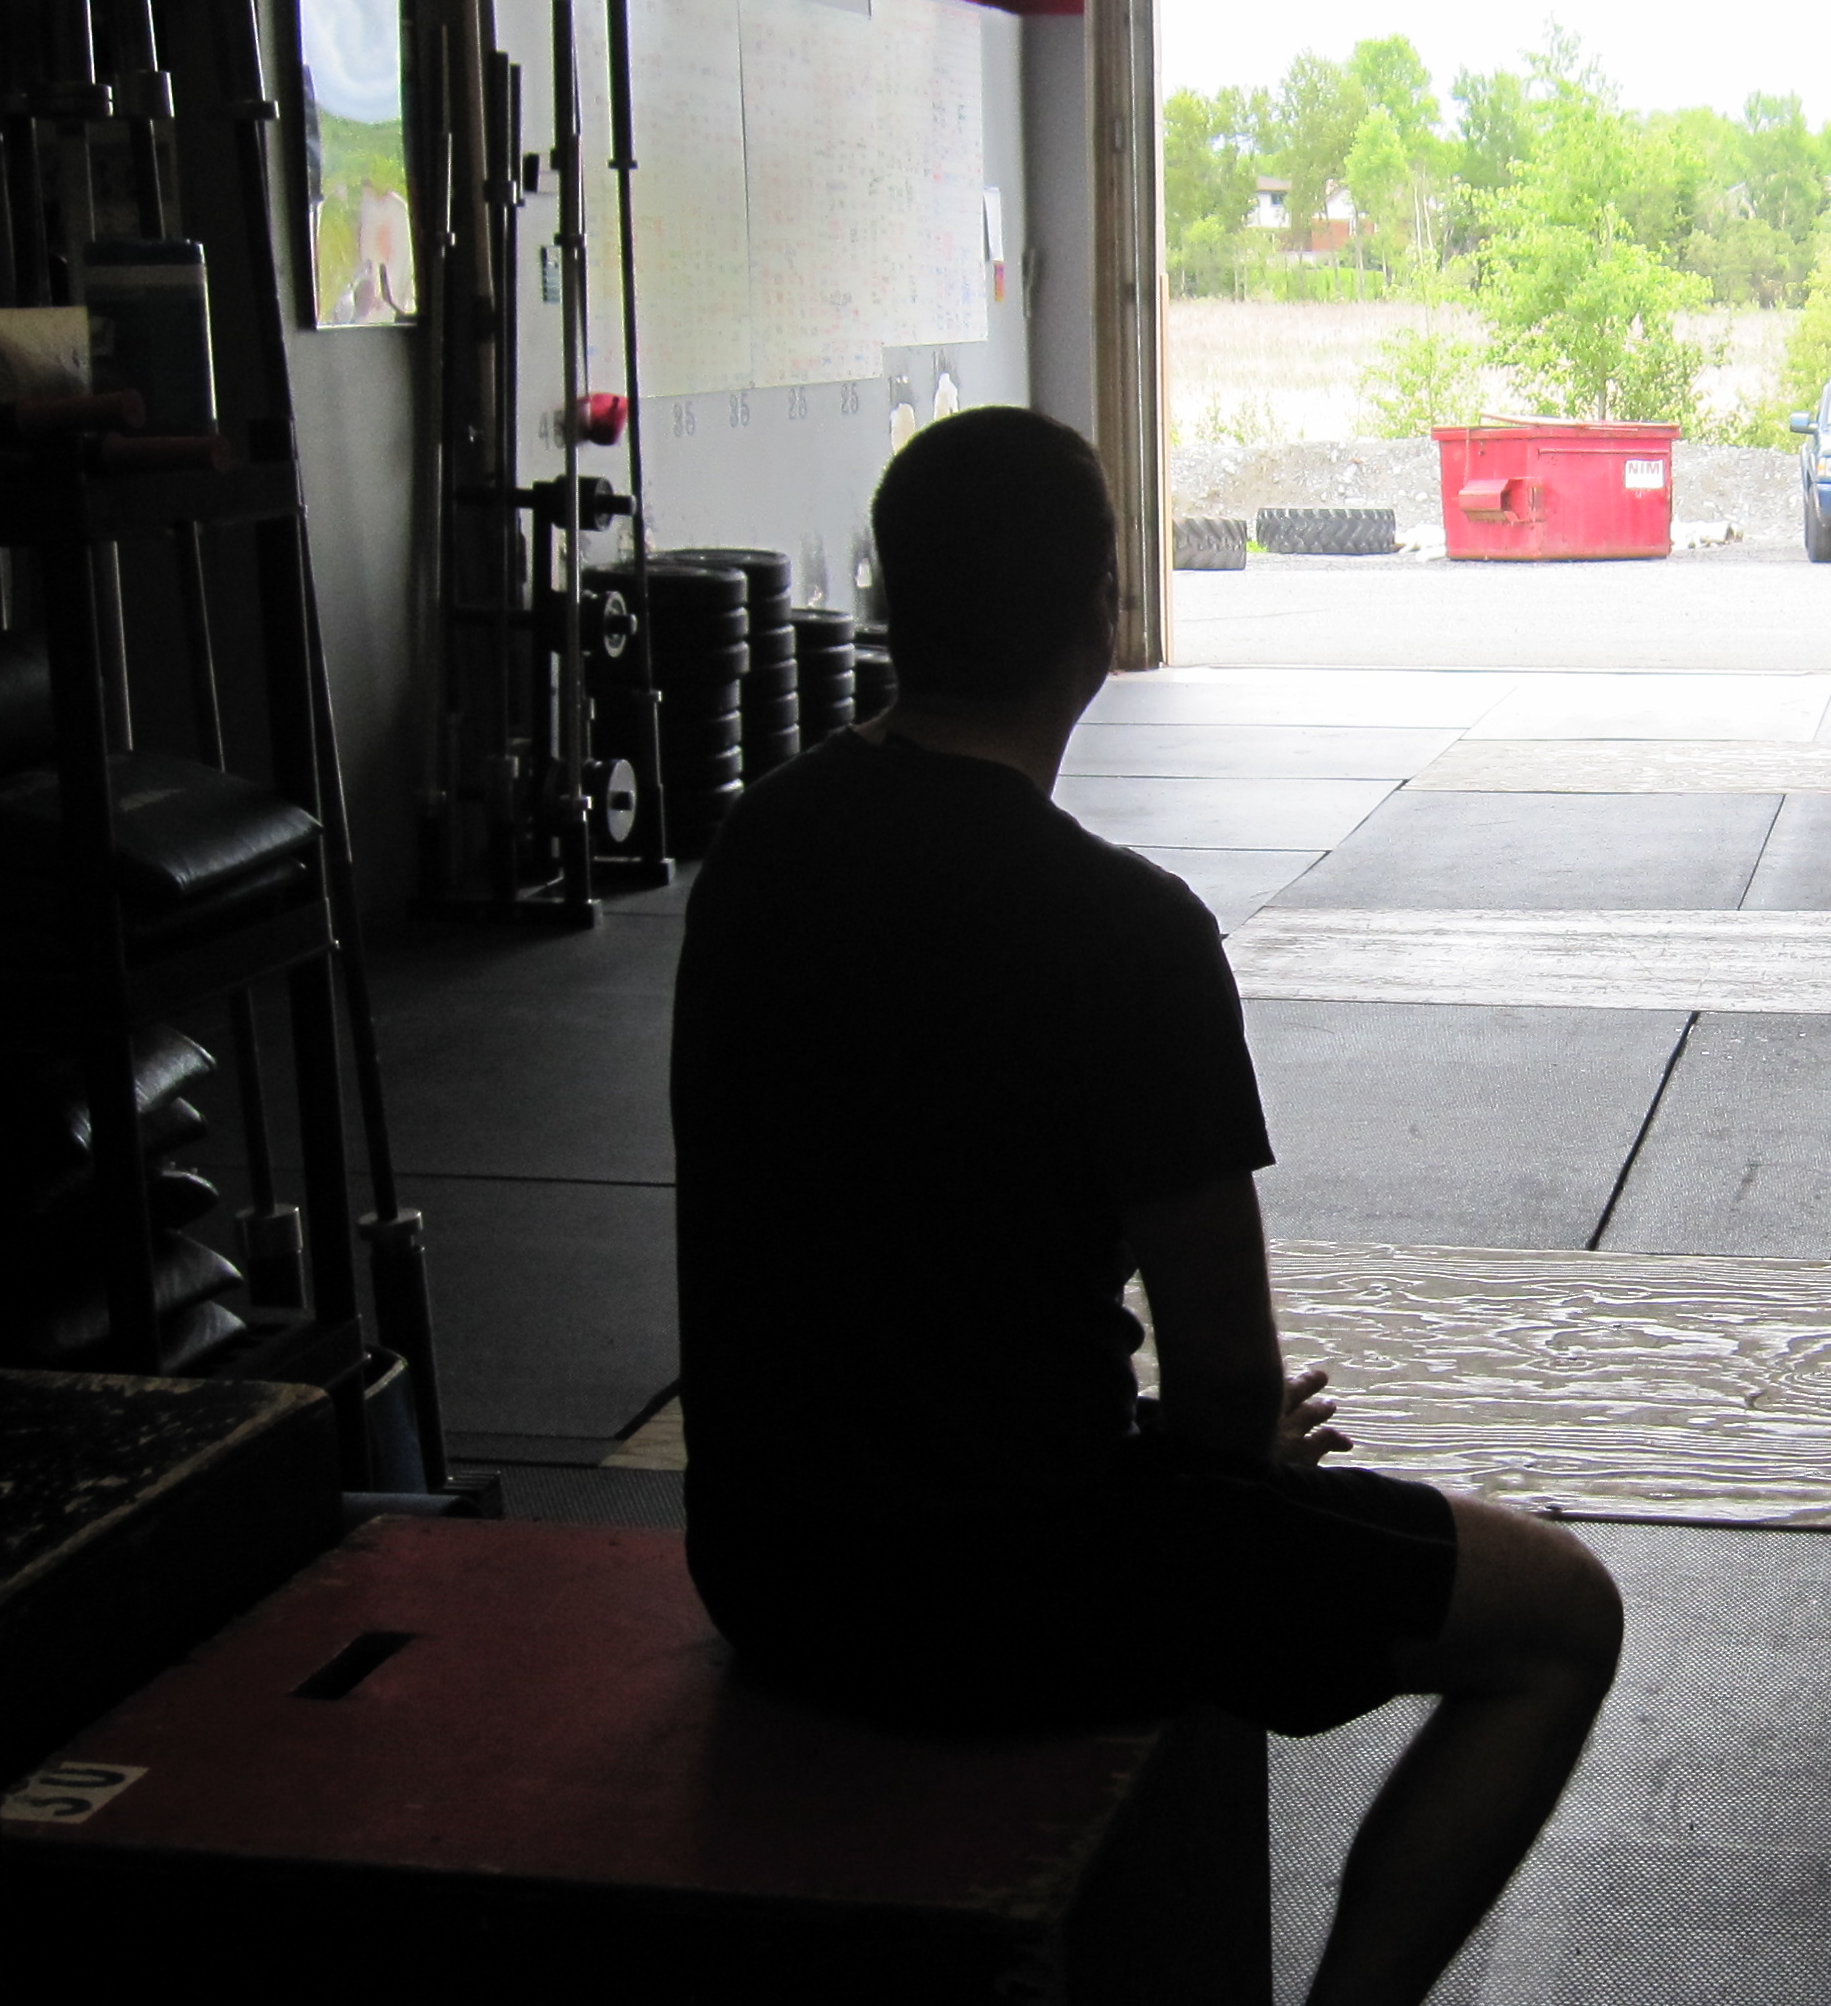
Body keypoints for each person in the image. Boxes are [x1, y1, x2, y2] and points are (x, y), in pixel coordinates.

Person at [671, 407, 1622, 2006]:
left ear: (894, 604)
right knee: (1565, 1616)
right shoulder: (1131, 936)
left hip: (763, 1567)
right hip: (1008, 1598)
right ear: (1098, 620)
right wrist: (1237, 1467)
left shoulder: (757, 845)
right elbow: (1228, 1385)